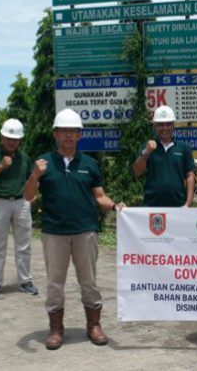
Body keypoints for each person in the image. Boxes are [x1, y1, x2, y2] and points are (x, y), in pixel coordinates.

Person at [23, 108, 124, 350]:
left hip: (85, 230)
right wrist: (35, 175)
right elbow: (27, 196)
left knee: (89, 281)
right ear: (55, 134)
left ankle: (94, 325)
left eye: (73, 131)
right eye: (64, 131)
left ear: (80, 135)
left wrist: (115, 206)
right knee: (55, 283)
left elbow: (99, 196)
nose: (68, 135)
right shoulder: (43, 163)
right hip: (54, 232)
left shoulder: (90, 164)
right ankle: (56, 329)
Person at [0, 118, 37, 297]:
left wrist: (33, 194)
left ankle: (25, 280)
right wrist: (1, 167)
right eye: (8, 138)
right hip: (0, 202)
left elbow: (31, 179)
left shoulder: (25, 159)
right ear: (1, 138)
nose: (11, 142)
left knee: (24, 244)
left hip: (22, 202)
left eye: (15, 139)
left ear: (20, 140)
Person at [133, 105, 195, 207]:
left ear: (173, 125)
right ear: (155, 126)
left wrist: (188, 203)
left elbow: (190, 176)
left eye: (168, 124)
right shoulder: (147, 147)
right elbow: (137, 172)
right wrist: (146, 153)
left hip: (178, 206)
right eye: (161, 124)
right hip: (151, 206)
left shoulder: (184, 148)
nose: (165, 128)